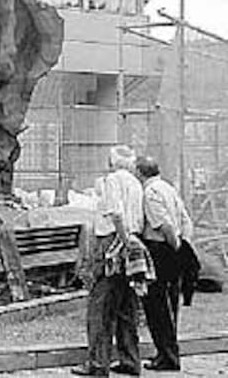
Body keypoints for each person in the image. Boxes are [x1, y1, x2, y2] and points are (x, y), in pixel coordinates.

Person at [72, 145, 145, 377]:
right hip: (133, 238)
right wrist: (132, 241)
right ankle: (131, 360)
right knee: (127, 305)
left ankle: (97, 364)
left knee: (100, 306)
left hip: (113, 242)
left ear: (112, 163)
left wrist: (123, 242)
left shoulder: (112, 180)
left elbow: (116, 213)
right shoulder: (135, 183)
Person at [136, 156, 194, 372]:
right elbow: (185, 219)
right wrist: (184, 245)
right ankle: (167, 352)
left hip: (160, 250)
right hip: (173, 249)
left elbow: (164, 225)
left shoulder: (150, 193)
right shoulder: (168, 188)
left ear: (141, 172)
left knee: (157, 306)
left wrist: (175, 246)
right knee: (170, 304)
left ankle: (167, 356)